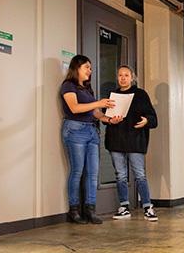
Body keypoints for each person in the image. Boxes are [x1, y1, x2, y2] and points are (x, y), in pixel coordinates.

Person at [60, 54, 119, 225]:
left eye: (90, 68)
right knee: (77, 171)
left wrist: (109, 119)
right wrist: (98, 102)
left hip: (92, 131)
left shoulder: (87, 90)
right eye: (86, 67)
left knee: (93, 174)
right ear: (76, 68)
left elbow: (96, 113)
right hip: (75, 129)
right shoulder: (68, 86)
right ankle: (74, 211)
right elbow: (75, 107)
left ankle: (90, 210)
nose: (89, 71)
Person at [104, 66, 159, 221]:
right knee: (120, 175)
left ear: (132, 78)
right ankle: (124, 207)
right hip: (116, 139)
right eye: (120, 75)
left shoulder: (141, 94)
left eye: (126, 75)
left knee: (140, 175)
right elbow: (105, 116)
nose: (123, 78)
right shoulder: (113, 95)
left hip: (135, 140)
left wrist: (146, 121)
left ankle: (148, 207)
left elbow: (153, 118)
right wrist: (110, 119)